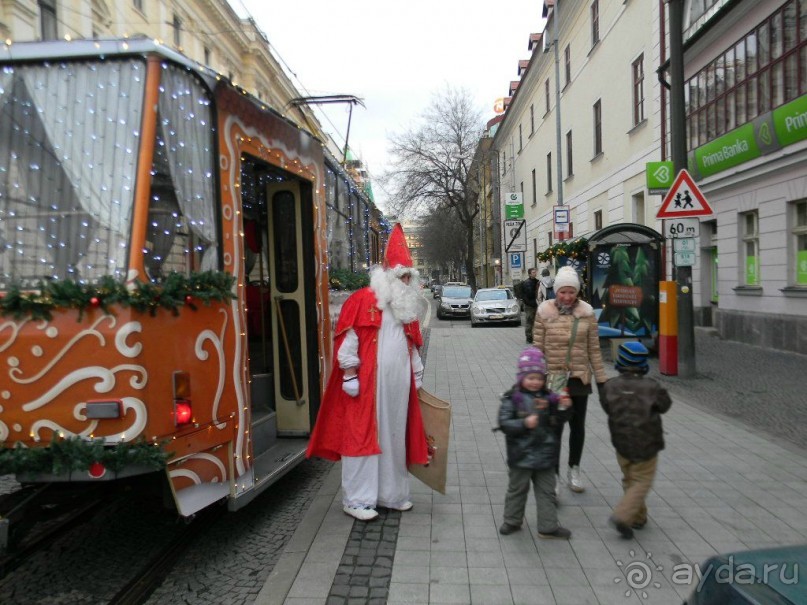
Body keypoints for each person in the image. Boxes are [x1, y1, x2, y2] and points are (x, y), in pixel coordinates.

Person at [306, 224, 429, 521]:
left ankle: (392, 494)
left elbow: (412, 346)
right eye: (401, 276)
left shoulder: (406, 308)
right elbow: (347, 338)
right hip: (366, 387)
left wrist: (417, 373)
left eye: (409, 277)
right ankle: (358, 499)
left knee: (394, 438)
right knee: (361, 437)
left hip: (398, 389)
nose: (405, 282)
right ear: (388, 276)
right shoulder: (363, 300)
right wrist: (349, 373)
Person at [532, 265, 607, 494]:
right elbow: (537, 349)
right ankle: (552, 476)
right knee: (553, 429)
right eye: (563, 291)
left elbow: (594, 349)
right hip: (553, 379)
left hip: (578, 378)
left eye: (571, 292)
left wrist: (602, 381)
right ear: (556, 291)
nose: (567, 296)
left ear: (577, 292)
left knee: (577, 427)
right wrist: (535, 381)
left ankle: (574, 468)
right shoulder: (544, 311)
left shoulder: (586, 312)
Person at [497, 347, 572, 539]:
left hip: (545, 454)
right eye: (530, 378)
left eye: (539, 378)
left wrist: (564, 407)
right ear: (521, 377)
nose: (535, 382)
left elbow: (560, 419)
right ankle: (512, 521)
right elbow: (504, 423)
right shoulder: (512, 398)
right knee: (517, 490)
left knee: (547, 491)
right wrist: (524, 423)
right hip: (521, 455)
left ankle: (548, 526)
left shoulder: (549, 398)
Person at [600, 342, 672, 539]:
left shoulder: (610, 386)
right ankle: (623, 516)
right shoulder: (652, 387)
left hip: (621, 441)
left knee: (629, 477)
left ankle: (638, 517)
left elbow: (607, 407)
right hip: (647, 442)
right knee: (642, 480)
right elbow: (665, 406)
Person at [519, 268, 539, 344]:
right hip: (529, 305)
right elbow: (529, 294)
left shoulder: (536, 281)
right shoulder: (527, 283)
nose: (535, 273)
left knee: (535, 321)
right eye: (533, 272)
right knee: (529, 321)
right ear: (530, 274)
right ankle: (529, 337)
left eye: (535, 272)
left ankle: (534, 336)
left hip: (535, 304)